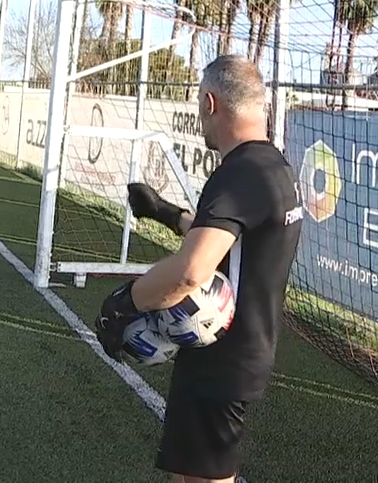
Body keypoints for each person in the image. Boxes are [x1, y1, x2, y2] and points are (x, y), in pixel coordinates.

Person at [94, 55, 304, 483]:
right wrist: (166, 213)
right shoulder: (274, 166)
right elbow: (230, 236)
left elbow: (192, 271)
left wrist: (125, 303)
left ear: (210, 103)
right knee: (194, 475)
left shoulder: (238, 173)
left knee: (206, 480)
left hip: (221, 356)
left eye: (197, 104)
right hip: (244, 349)